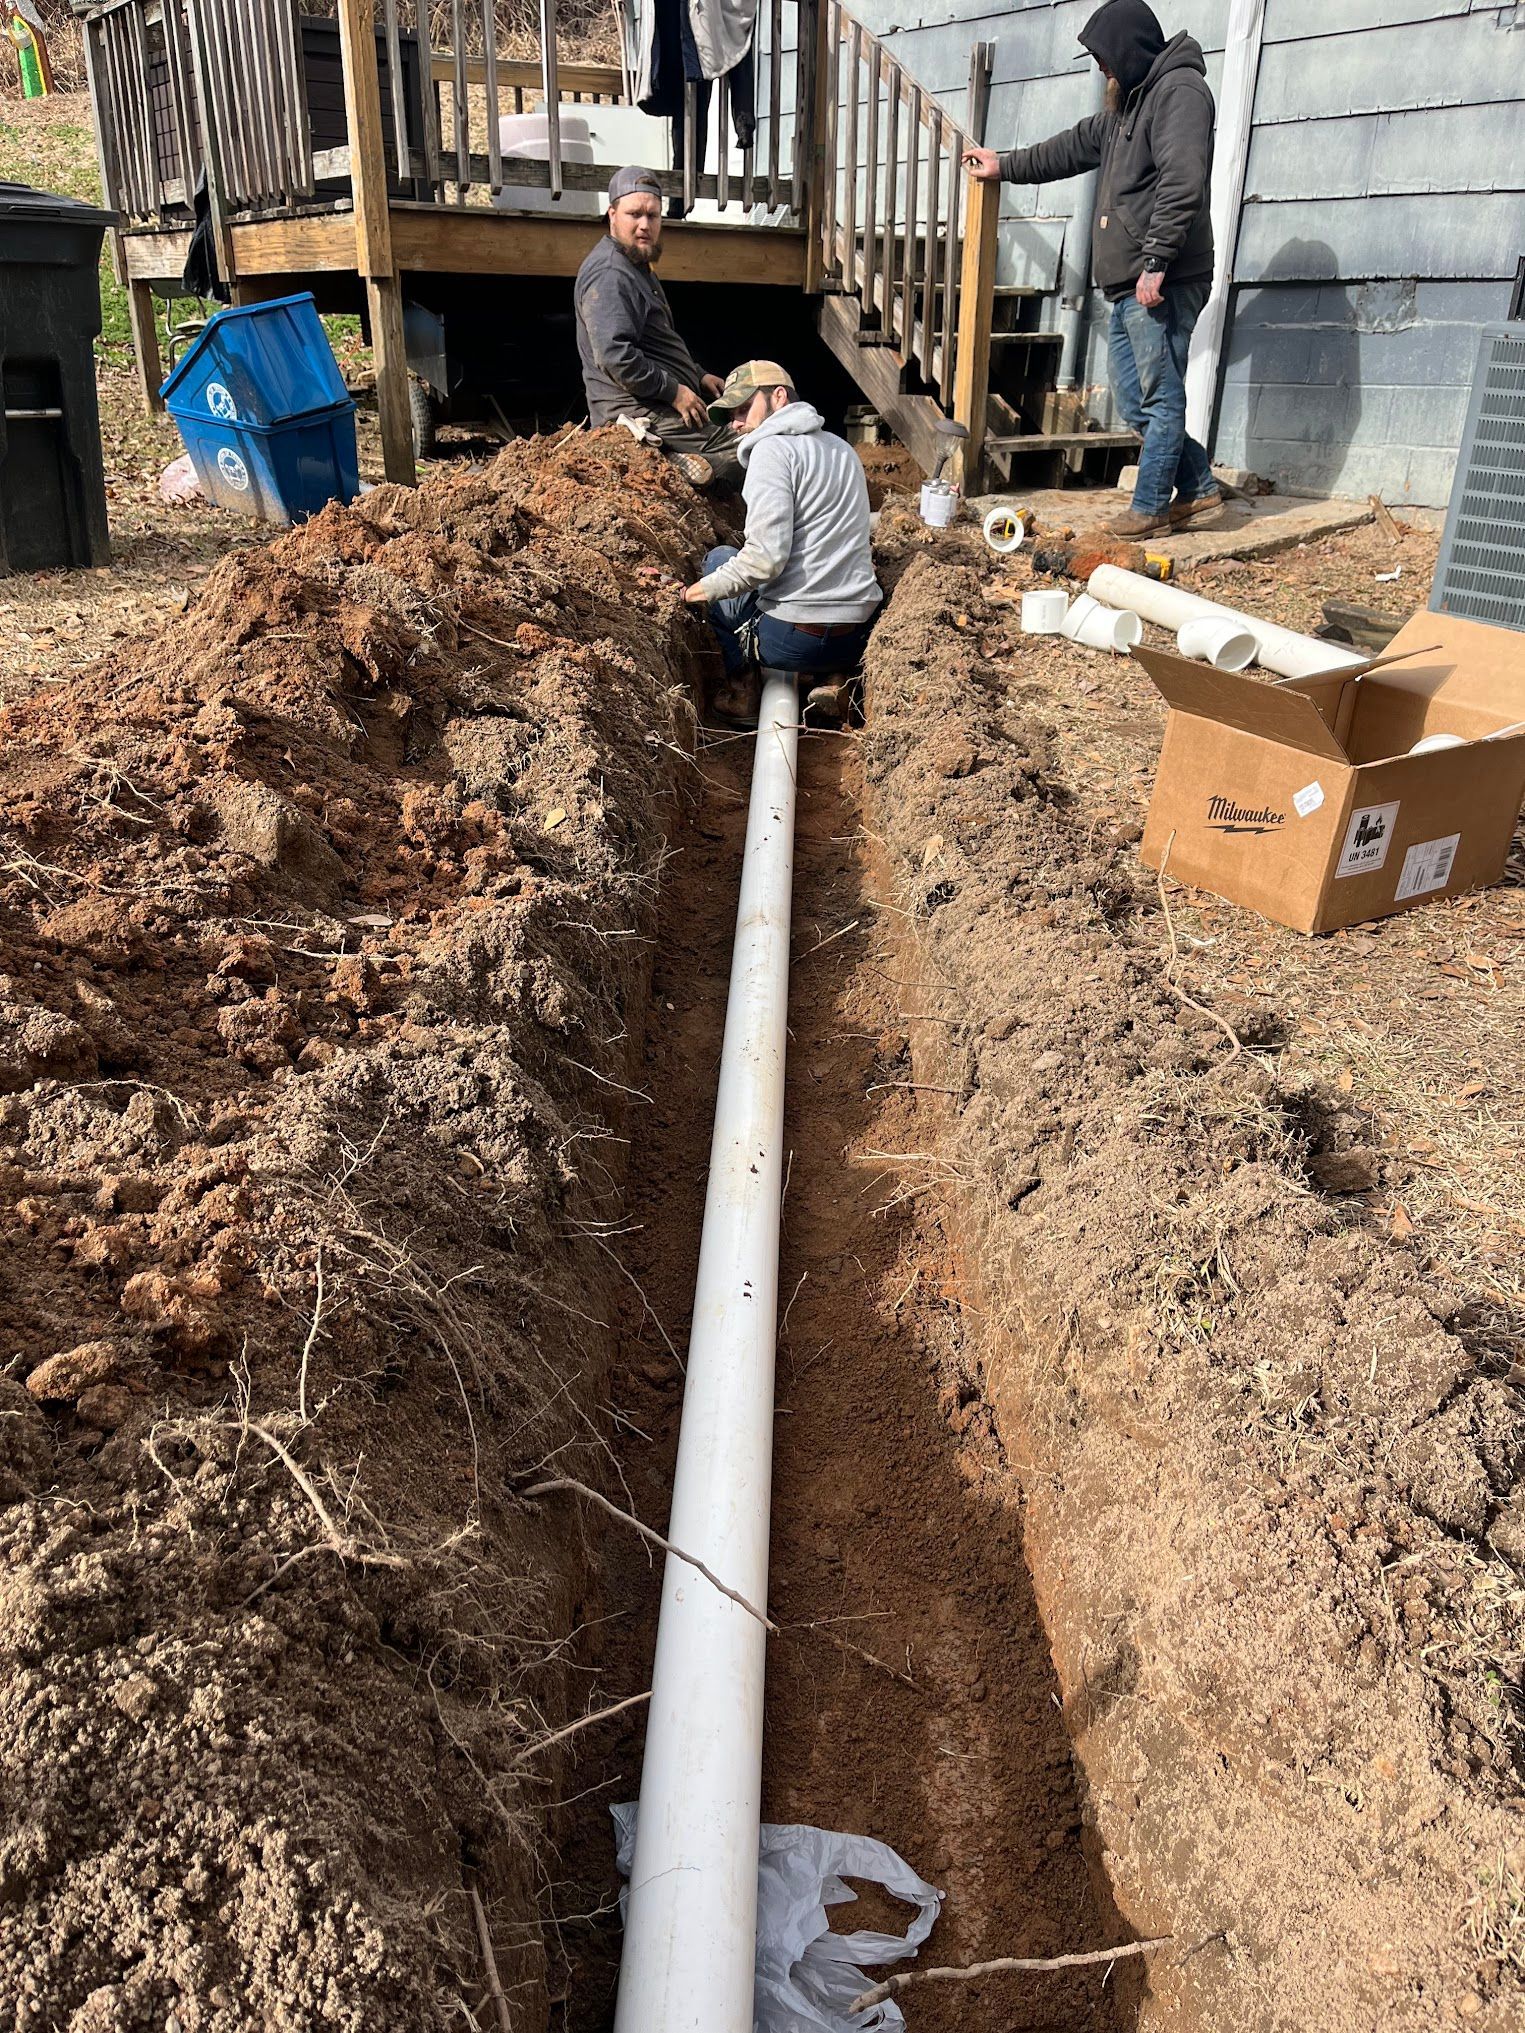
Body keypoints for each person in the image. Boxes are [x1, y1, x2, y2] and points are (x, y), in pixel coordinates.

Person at [963, 0, 1222, 539]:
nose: (1102, 69)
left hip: (1163, 278)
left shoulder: (1179, 94)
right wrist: (1003, 165)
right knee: (1134, 399)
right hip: (1133, 280)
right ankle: (1199, 489)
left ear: (1130, 51)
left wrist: (1156, 261)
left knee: (1156, 397)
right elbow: (1070, 148)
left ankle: (1151, 507)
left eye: (1105, 58)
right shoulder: (1127, 108)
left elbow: (1183, 182)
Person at [682, 362, 882, 724]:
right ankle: (833, 678)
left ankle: (745, 696)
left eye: (743, 409)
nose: (736, 423)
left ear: (779, 397)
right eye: (731, 415)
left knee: (718, 560)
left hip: (790, 642)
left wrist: (694, 593)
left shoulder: (770, 451)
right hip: (856, 637)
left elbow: (765, 561)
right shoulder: (843, 449)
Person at [573, 165, 741, 487]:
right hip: (636, 412)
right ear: (612, 215)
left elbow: (656, 342)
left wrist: (697, 373)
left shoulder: (636, 265)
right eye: (634, 214)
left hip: (655, 401)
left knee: (740, 428)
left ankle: (678, 458)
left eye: (652, 216)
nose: (644, 225)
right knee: (742, 450)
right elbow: (614, 356)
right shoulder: (611, 274)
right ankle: (667, 464)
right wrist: (674, 390)